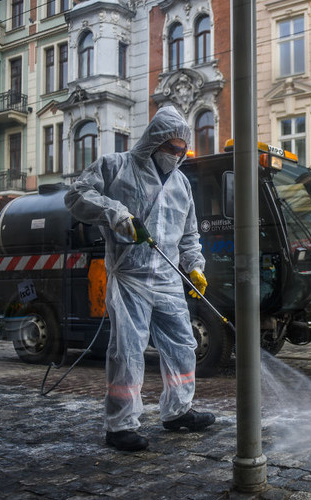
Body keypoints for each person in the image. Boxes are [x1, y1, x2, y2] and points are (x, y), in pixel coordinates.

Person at [65, 106, 214, 452]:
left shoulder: (180, 184)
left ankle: (179, 411)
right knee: (128, 352)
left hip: (168, 277)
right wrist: (116, 214)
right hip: (130, 276)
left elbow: (189, 234)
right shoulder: (116, 166)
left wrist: (194, 266)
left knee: (182, 346)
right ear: (155, 141)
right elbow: (76, 196)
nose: (177, 156)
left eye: (182, 150)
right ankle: (120, 426)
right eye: (171, 149)